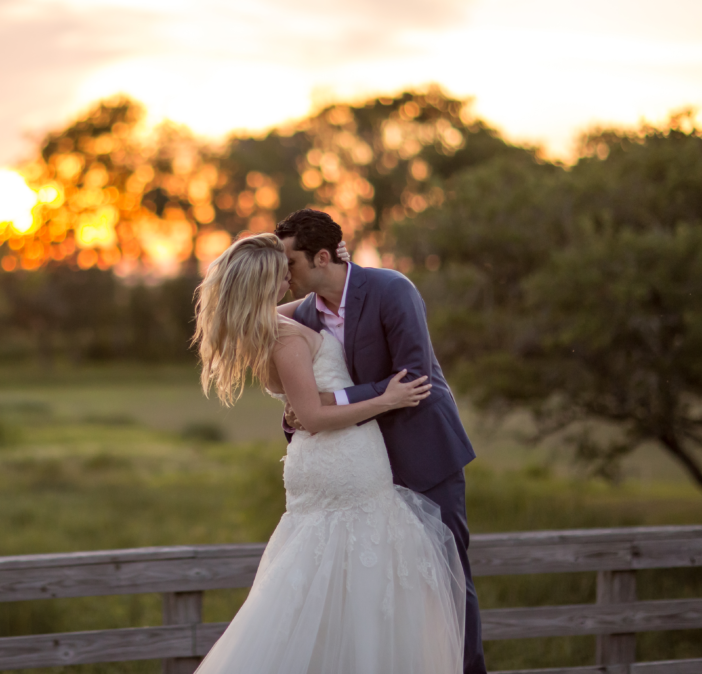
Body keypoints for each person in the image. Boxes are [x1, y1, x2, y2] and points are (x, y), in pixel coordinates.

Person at [191, 232, 465, 674]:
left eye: (291, 263)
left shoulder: (271, 322)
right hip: (341, 462)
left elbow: (305, 318)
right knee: (367, 575)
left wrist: (338, 273)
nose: (289, 274)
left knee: (339, 577)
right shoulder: (285, 335)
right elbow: (314, 416)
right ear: (268, 282)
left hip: (332, 462)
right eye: (282, 270)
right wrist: (386, 399)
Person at [275, 208, 486, 674]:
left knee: (446, 575)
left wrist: (334, 398)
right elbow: (299, 383)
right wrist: (302, 413)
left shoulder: (392, 289)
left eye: (289, 262)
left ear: (322, 257)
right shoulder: (304, 314)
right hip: (361, 467)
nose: (282, 273)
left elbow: (415, 377)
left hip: (425, 453)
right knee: (383, 586)